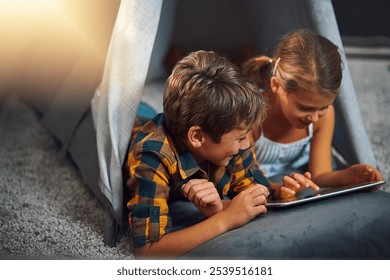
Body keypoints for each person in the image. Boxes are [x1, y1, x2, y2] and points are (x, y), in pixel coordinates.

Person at [126, 50, 318, 258]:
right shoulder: (151, 156)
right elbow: (148, 251)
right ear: (198, 137)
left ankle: (177, 53)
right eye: (239, 138)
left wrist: (283, 192)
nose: (246, 145)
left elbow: (256, 193)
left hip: (184, 129)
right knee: (131, 107)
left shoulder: (235, 137)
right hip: (135, 124)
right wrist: (225, 219)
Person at [241, 29, 383, 188]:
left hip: (296, 179)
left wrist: (348, 176)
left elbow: (320, 175)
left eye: (324, 107)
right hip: (258, 180)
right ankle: (243, 56)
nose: (314, 118)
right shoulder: (251, 114)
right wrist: (278, 189)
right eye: (305, 108)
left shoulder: (325, 115)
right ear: (276, 86)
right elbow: (246, 179)